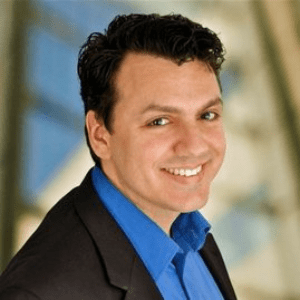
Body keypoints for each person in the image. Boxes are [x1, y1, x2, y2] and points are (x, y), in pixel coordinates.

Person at [0, 13, 237, 300]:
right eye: (159, 121)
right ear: (100, 135)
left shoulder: (192, 234)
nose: (194, 146)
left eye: (207, 115)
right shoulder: (39, 291)